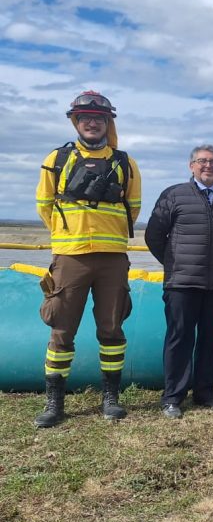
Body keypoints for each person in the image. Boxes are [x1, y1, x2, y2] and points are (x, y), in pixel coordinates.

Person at [34, 90, 141, 428]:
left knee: (112, 328)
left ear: (108, 123)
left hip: (112, 259)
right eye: (85, 118)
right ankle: (55, 402)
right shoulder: (57, 158)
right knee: (62, 330)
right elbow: (44, 204)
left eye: (99, 118)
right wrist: (67, 237)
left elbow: (133, 207)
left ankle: (111, 397)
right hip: (71, 258)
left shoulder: (125, 162)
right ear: (76, 122)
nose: (92, 122)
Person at [145, 145, 213, 419]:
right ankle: (173, 397)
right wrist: (175, 264)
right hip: (181, 283)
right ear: (191, 166)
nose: (208, 166)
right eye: (202, 161)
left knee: (209, 339)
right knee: (179, 338)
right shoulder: (174, 195)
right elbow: (154, 236)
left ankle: (205, 393)